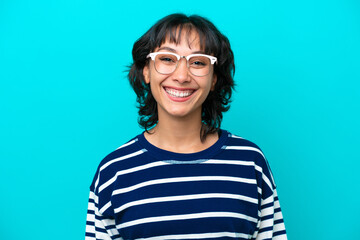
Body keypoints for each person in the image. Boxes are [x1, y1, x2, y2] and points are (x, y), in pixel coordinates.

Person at [85, 13, 287, 240]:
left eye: (198, 62)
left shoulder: (250, 162)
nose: (181, 76)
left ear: (214, 79)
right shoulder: (114, 171)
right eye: (167, 59)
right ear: (146, 71)